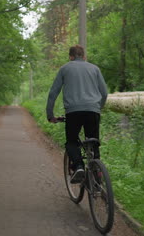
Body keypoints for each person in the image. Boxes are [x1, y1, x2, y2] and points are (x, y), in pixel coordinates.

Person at [46, 45, 108, 184]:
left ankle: (79, 166)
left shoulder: (65, 68)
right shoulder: (95, 69)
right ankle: (97, 176)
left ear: (71, 57)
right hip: (93, 110)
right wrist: (99, 108)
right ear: (84, 56)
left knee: (72, 141)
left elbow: (52, 94)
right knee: (93, 142)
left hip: (73, 111)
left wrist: (50, 115)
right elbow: (104, 93)